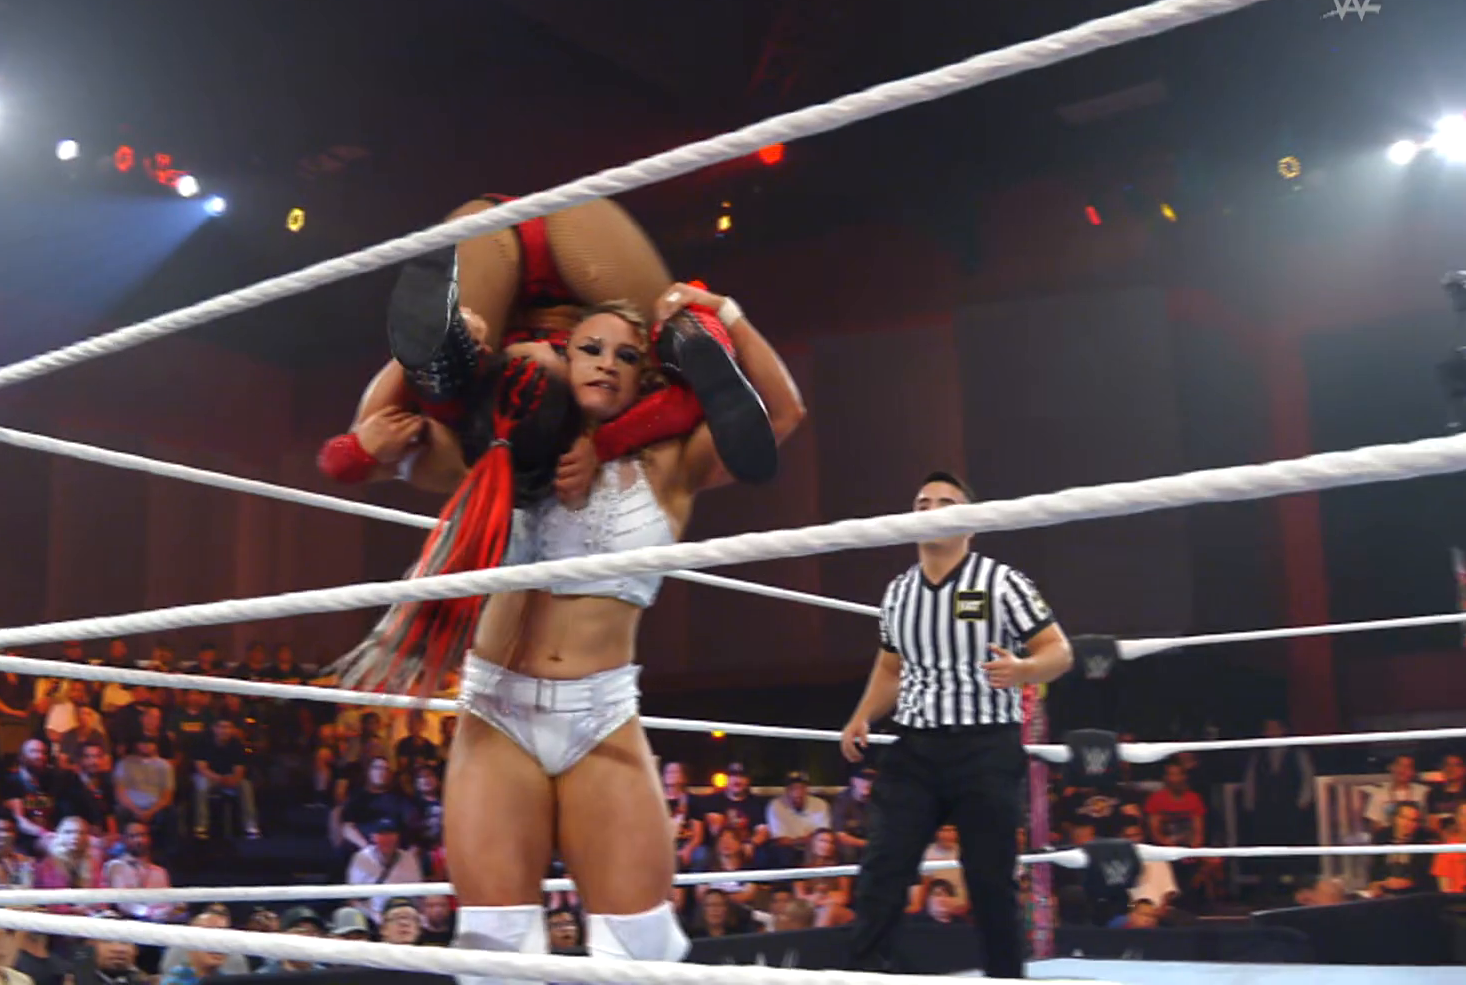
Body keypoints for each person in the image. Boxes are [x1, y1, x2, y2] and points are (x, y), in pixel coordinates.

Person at [335, 279, 804, 981]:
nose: (607, 363)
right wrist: (425, 345)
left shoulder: (670, 464)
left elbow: (782, 414)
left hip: (601, 716)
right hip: (497, 715)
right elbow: (383, 428)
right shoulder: (496, 445)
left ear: (646, 377)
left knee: (642, 951)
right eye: (591, 349)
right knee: (495, 955)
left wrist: (727, 315)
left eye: (626, 355)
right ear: (564, 358)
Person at [318, 196, 780, 499]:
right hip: (590, 250)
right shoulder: (613, 405)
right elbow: (696, 405)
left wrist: (360, 448)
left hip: (490, 264)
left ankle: (444, 348)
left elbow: (354, 454)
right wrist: (724, 315)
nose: (538, 354)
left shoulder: (459, 443)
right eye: (561, 359)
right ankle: (690, 337)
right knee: (662, 324)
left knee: (434, 378)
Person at [837, 471, 1074, 980]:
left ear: (971, 522)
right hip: (915, 748)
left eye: (946, 502)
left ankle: (1005, 977)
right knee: (882, 867)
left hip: (985, 746)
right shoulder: (898, 592)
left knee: (990, 880)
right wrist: (862, 715)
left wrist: (1023, 670)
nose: (931, 510)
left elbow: (1059, 651)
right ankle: (862, 974)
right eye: (922, 503)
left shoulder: (1002, 581)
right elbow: (890, 668)